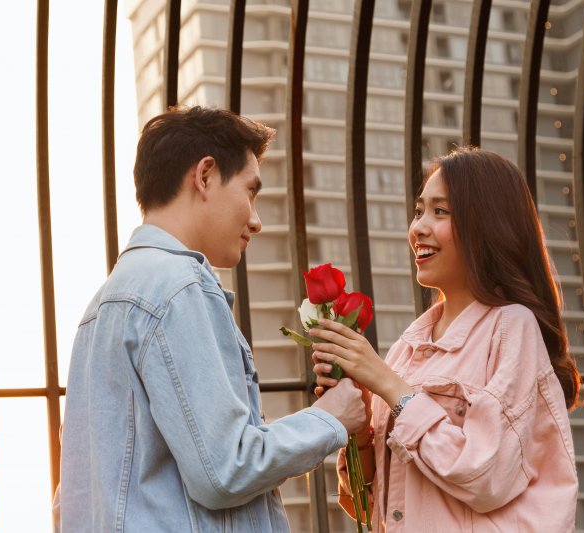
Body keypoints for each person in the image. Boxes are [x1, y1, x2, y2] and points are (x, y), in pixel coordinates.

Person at [57, 105, 367, 532]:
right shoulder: (180, 287)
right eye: (251, 191)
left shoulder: (102, 305)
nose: (256, 221)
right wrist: (330, 417)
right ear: (204, 175)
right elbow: (224, 468)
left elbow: (71, 496)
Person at [310, 146, 580, 532]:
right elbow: (370, 506)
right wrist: (362, 427)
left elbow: (486, 475)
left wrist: (391, 388)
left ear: (486, 224)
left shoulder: (511, 328)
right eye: (419, 210)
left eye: (440, 211)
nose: (418, 227)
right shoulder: (408, 348)